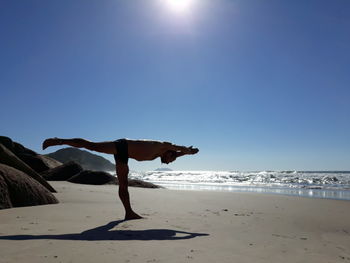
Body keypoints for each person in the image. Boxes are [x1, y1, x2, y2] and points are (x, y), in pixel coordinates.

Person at [42, 137, 199, 220]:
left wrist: (187, 153)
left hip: (124, 157)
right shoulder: (163, 146)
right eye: (172, 159)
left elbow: (178, 152)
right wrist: (187, 150)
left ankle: (128, 213)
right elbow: (178, 148)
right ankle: (59, 140)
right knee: (92, 145)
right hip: (123, 146)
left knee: (123, 184)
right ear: (169, 153)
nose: (170, 161)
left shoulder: (163, 153)